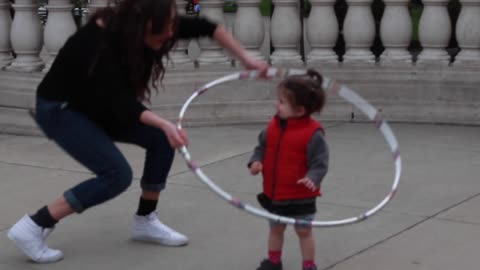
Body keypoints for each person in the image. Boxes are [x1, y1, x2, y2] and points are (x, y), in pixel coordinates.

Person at [7, 0, 268, 263]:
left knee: (161, 141)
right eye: (163, 31)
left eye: (171, 28)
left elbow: (209, 27)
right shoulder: (99, 44)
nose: (170, 35)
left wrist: (246, 58)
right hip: (61, 110)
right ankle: (34, 225)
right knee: (116, 175)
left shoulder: (152, 23)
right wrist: (166, 123)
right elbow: (120, 103)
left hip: (93, 104)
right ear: (140, 26)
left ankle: (145, 220)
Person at [248, 69, 329, 270]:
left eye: (282, 102)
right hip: (275, 193)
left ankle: (309, 265)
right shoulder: (272, 126)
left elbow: (320, 163)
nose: (277, 104)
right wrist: (255, 162)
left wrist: (313, 177)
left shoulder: (313, 133)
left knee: (304, 232)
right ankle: (273, 262)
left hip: (301, 195)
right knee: (276, 229)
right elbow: (261, 148)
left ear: (300, 110)